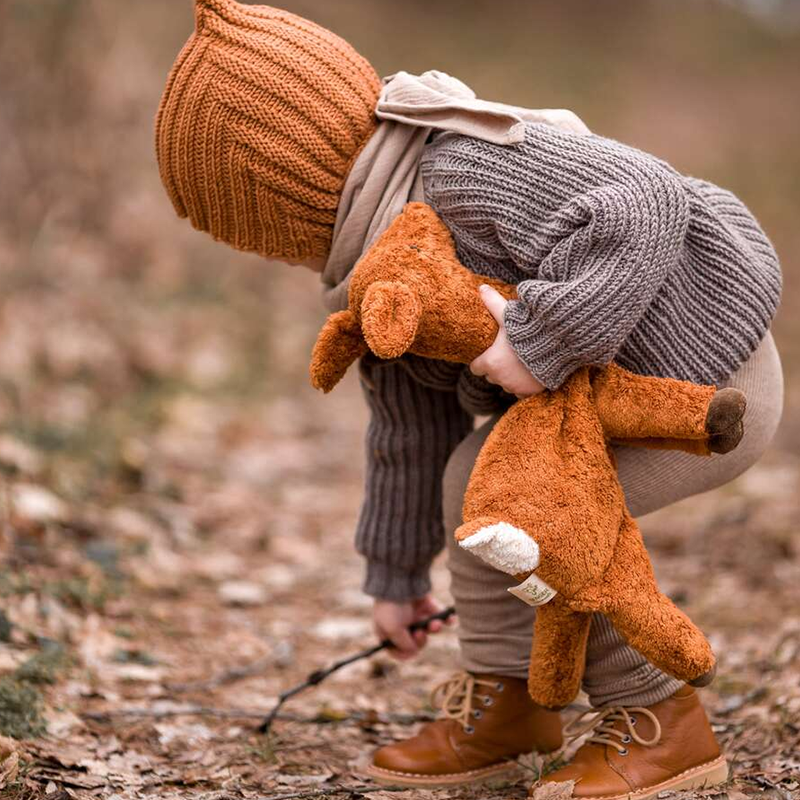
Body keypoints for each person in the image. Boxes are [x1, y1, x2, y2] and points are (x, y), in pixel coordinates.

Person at [155, 1, 783, 797]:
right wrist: (395, 572)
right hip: (590, 403)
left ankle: (663, 722)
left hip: (703, 379)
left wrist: (540, 340)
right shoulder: (375, 270)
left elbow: (645, 196)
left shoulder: (462, 168)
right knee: (470, 482)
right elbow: (408, 433)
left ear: (276, 209)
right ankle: (512, 705)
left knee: (534, 507)